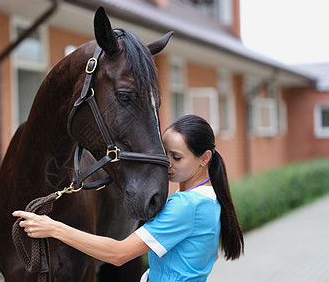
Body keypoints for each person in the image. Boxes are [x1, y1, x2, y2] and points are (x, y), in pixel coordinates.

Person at [13, 114, 244, 281]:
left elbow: (119, 253)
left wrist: (53, 228)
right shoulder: (211, 197)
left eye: (176, 157)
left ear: (204, 158)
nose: (168, 165)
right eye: (165, 155)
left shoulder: (187, 205)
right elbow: (209, 257)